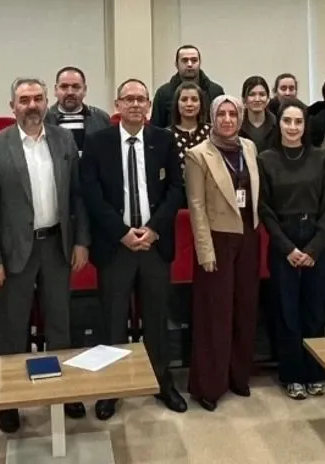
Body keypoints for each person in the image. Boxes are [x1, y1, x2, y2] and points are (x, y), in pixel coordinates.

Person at [0, 77, 90, 432]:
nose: (32, 105)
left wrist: (81, 241)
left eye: (38, 98)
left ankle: (64, 394)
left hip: (56, 245)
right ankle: (11, 400)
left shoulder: (63, 139)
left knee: (60, 324)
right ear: (13, 106)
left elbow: (77, 196)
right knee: (14, 328)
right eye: (24, 100)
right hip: (14, 252)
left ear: (46, 102)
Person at [80, 79, 188, 419]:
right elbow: (92, 194)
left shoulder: (164, 140)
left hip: (154, 245)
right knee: (113, 321)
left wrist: (153, 230)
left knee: (157, 319)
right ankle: (111, 389)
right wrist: (122, 232)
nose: (136, 104)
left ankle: (162, 382)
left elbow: (176, 189)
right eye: (129, 99)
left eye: (141, 99)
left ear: (149, 106)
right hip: (116, 246)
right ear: (117, 104)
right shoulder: (98, 142)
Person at [184, 95, 261, 412]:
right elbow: (196, 206)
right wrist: (205, 251)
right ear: (212, 118)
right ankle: (209, 385)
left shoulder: (249, 147)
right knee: (215, 314)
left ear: (240, 118)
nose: (227, 120)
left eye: (233, 114)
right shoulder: (197, 154)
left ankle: (237, 376)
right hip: (216, 239)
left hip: (248, 237)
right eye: (221, 114)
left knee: (244, 309)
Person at [258, 98, 325, 400]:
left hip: (316, 238)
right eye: (287, 121)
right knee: (287, 310)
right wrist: (287, 248)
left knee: (315, 310)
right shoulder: (266, 159)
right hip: (283, 241)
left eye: (298, 122)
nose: (293, 127)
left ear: (306, 125)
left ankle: (315, 372)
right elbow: (264, 209)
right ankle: (292, 376)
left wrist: (314, 248)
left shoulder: (321, 157)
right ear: (279, 124)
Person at [150, 45, 225, 128]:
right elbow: (155, 128)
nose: (189, 64)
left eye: (194, 60)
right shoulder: (163, 93)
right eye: (185, 60)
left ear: (200, 63)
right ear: (176, 64)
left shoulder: (215, 91)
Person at [46, 66, 112, 155]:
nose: (70, 92)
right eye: (64, 87)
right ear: (56, 90)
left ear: (84, 90)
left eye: (76, 87)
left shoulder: (101, 118)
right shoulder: (45, 119)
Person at [169, 81, 211, 160]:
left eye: (194, 100)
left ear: (201, 103)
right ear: (177, 104)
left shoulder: (211, 132)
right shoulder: (166, 135)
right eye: (184, 99)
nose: (189, 104)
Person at [239, 76, 277, 152]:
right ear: (244, 100)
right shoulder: (236, 126)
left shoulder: (277, 125)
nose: (257, 99)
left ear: (268, 99)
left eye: (262, 94)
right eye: (252, 94)